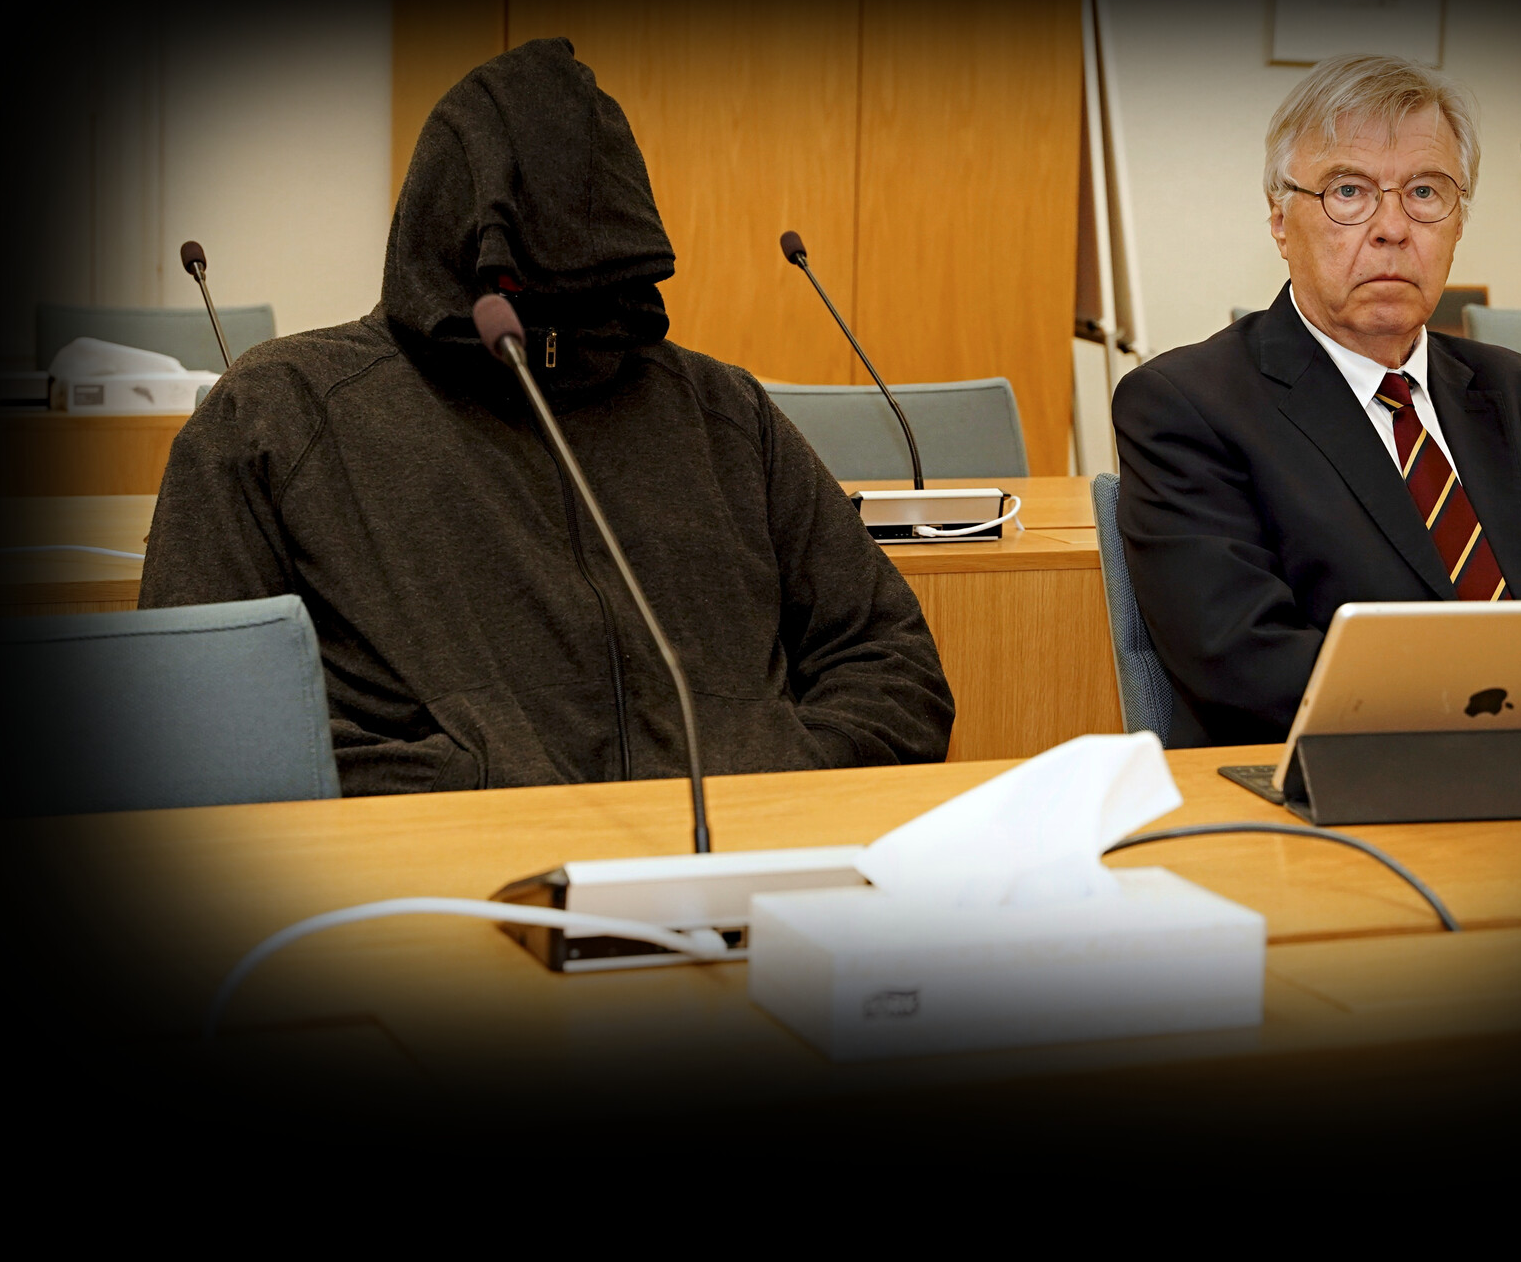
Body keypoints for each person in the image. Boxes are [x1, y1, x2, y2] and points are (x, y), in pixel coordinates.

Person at [141, 38, 953, 792]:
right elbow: (203, 724)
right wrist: (468, 794)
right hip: (438, 878)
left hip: (740, 860)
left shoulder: (724, 415)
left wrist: (770, 774)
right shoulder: (277, 414)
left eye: (590, 278)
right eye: (525, 282)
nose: (556, 307)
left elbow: (893, 663)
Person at [1112, 54, 1521, 747]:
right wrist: (1507, 693)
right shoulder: (1187, 406)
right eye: (1349, 191)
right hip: (1328, 789)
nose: (1392, 227)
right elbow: (1243, 663)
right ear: (1279, 220)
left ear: (1458, 224)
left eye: (1423, 191)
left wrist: (1520, 700)